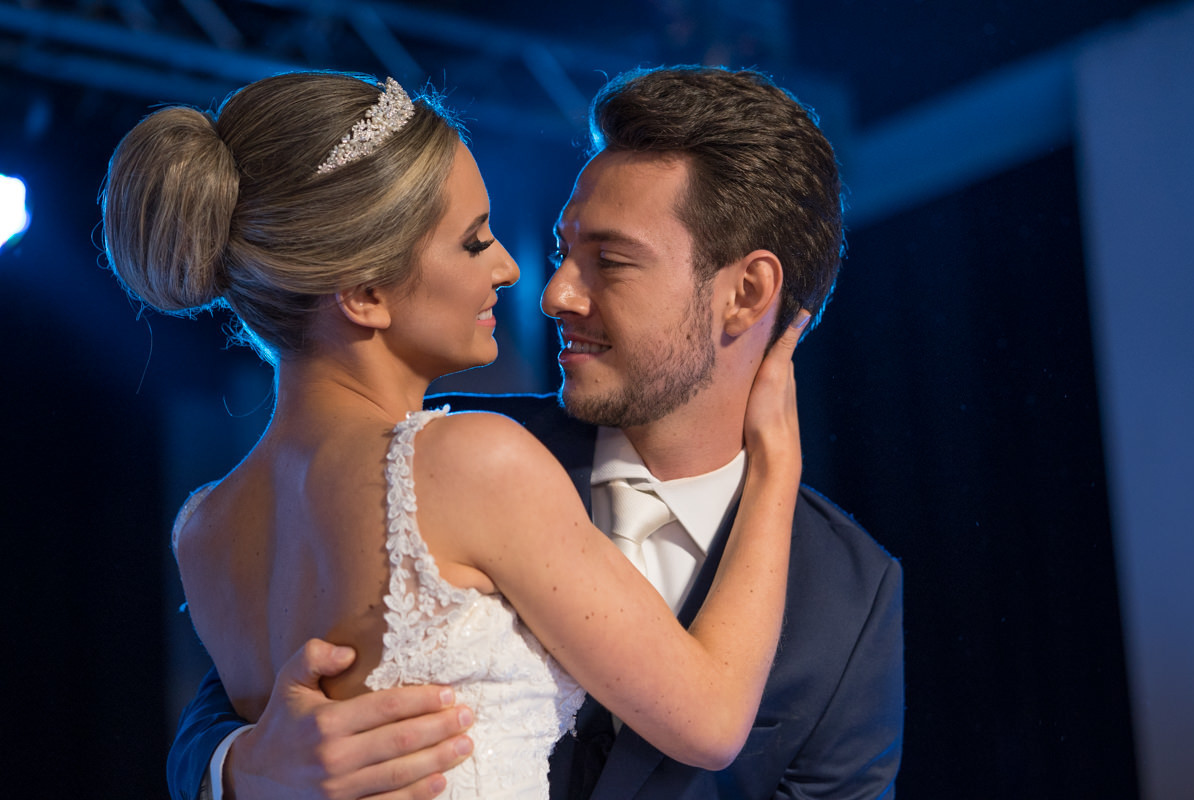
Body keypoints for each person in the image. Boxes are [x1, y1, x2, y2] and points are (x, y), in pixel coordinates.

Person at [165, 66, 905, 800]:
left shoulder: (850, 596)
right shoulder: (474, 454)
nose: (549, 290)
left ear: (747, 293)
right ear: (362, 291)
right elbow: (254, 704)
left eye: (609, 261)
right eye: (559, 250)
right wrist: (237, 766)